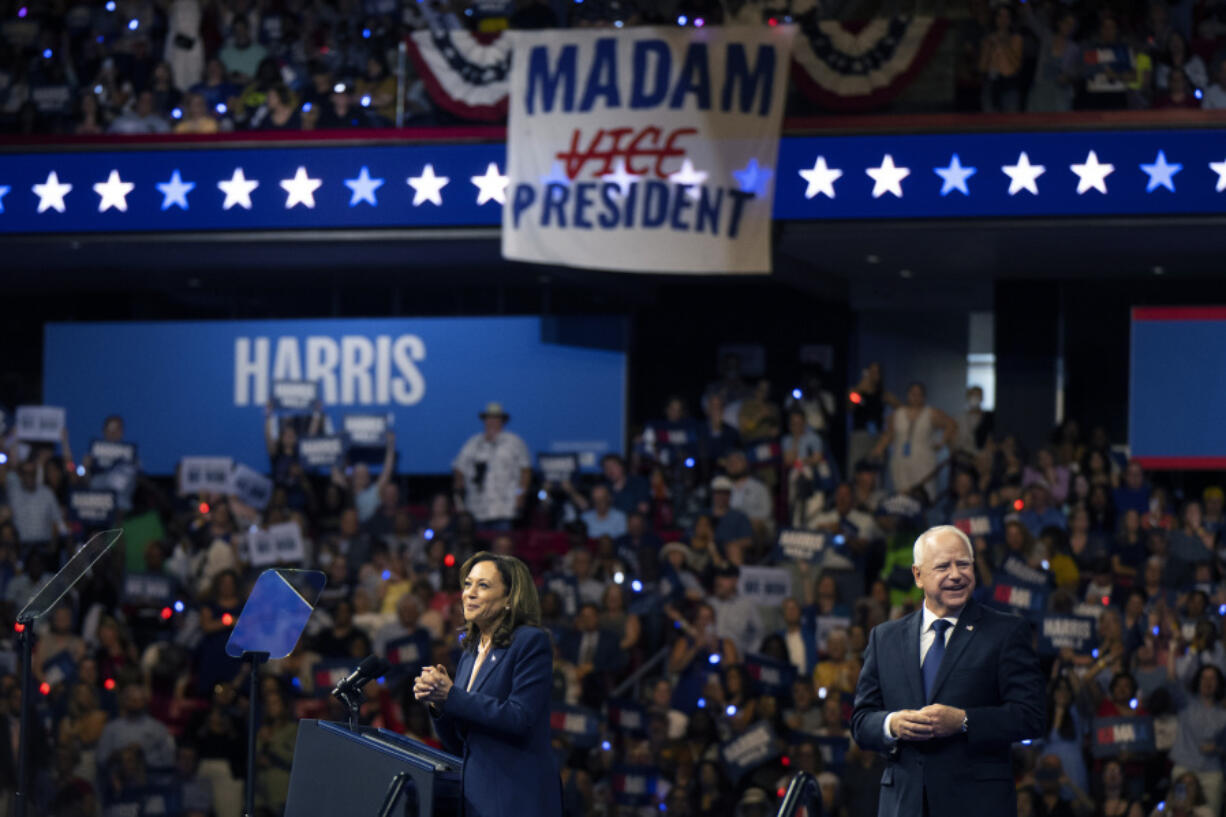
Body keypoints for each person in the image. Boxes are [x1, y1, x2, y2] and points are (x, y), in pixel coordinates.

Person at [850, 524, 1045, 816]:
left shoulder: (1006, 632)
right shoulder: (884, 638)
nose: (956, 574)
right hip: (904, 805)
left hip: (976, 804)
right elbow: (861, 721)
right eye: (943, 566)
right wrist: (892, 724)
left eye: (963, 564)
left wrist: (964, 721)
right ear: (918, 575)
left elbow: (1031, 717)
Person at [414, 552, 562, 817]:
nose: (469, 593)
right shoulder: (470, 652)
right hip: (476, 797)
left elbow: (520, 718)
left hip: (516, 795)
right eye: (468, 584)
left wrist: (452, 696)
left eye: (483, 585)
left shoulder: (530, 642)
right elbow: (460, 741)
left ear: (509, 599)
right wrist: (438, 703)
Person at [872, 382, 957, 501]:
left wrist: (941, 442)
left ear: (923, 396)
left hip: (923, 463)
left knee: (923, 496)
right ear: (908, 395)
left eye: (919, 394)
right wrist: (879, 449)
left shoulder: (931, 413)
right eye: (913, 394)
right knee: (902, 498)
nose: (916, 397)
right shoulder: (897, 414)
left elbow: (951, 424)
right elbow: (889, 434)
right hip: (901, 462)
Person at [452, 402, 531, 529]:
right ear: (485, 420)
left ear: (502, 421)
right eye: (489, 418)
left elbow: (525, 471)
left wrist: (520, 494)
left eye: (496, 418)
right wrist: (460, 494)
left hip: (505, 507)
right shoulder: (473, 443)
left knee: (502, 545)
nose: (492, 421)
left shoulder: (514, 442)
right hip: (477, 507)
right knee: (480, 546)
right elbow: (459, 467)